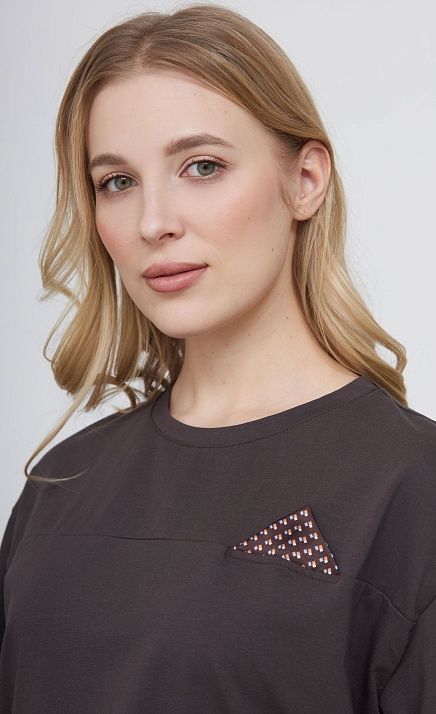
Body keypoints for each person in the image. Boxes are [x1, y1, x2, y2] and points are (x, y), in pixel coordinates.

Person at [1, 3, 435, 712]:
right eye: (117, 182)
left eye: (202, 167)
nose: (153, 222)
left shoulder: (411, 489)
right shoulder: (61, 484)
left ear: (305, 180)